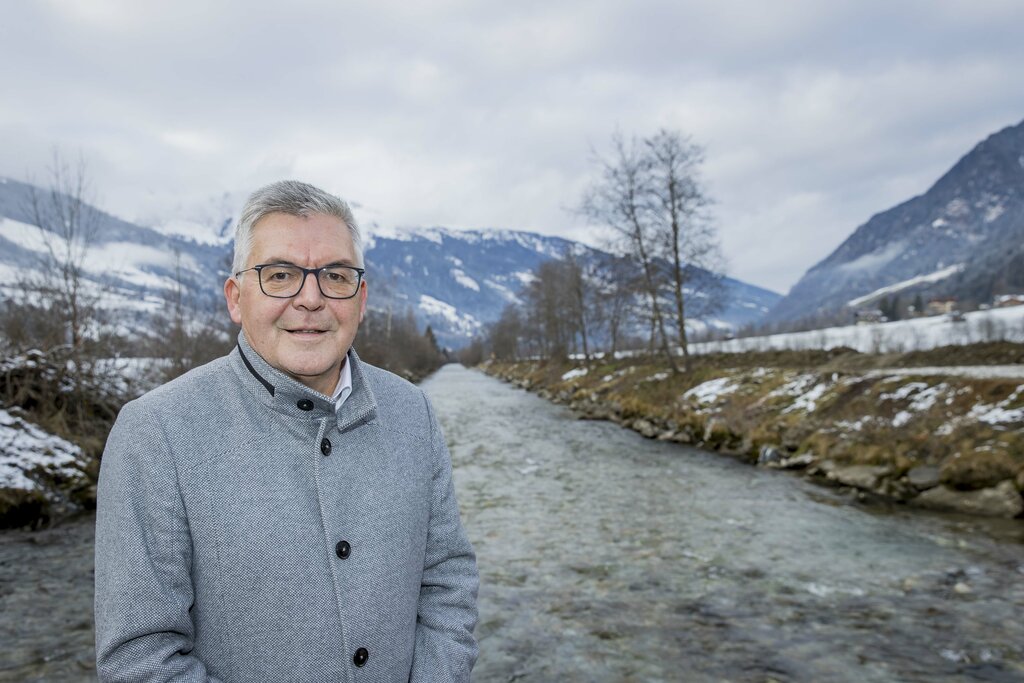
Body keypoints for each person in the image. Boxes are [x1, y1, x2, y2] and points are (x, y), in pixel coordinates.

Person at [94, 180, 478, 682]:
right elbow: (139, 659)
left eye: (335, 276)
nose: (311, 299)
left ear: (361, 299)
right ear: (236, 298)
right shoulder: (155, 433)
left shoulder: (413, 411)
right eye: (280, 275)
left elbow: (448, 582)